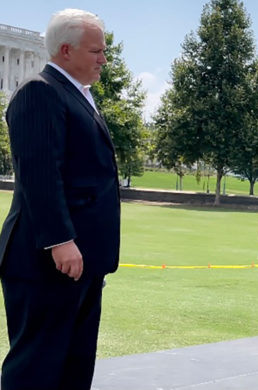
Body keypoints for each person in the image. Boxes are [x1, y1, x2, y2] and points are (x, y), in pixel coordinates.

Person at [0, 9, 120, 390]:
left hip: (82, 261)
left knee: (74, 364)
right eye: (96, 51)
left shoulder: (77, 95)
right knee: (37, 366)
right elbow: (39, 175)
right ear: (66, 50)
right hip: (47, 261)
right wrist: (60, 240)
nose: (104, 59)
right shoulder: (40, 92)